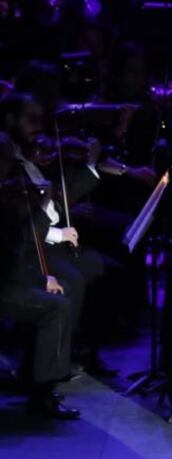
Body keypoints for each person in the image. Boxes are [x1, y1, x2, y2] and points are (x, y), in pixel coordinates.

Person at [0, 91, 117, 376]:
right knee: (73, 280)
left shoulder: (30, 157)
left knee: (104, 270)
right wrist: (56, 229)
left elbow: (57, 202)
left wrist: (90, 164)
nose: (39, 128)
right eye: (31, 120)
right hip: (25, 251)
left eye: (41, 120)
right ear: (11, 120)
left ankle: (71, 351)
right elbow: (23, 228)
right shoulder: (8, 161)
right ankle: (52, 361)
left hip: (40, 241)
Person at [0, 131, 78, 419]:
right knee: (57, 306)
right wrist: (42, 280)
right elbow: (11, 259)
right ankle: (42, 392)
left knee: (65, 289)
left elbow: (17, 252)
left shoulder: (9, 194)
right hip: (5, 284)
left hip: (9, 276)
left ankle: (32, 374)